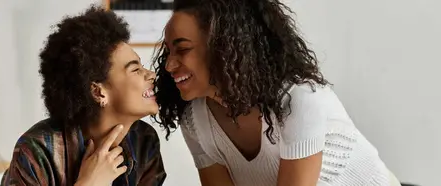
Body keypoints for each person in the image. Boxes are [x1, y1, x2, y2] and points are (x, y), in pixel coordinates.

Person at [152, 0, 400, 185]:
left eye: (182, 49)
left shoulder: (299, 100)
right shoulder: (195, 120)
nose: (169, 65)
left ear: (223, 48)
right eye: (169, 52)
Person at [1, 6, 166, 186]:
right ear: (98, 92)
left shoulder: (144, 142)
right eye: (135, 69)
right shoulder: (36, 151)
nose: (151, 75)